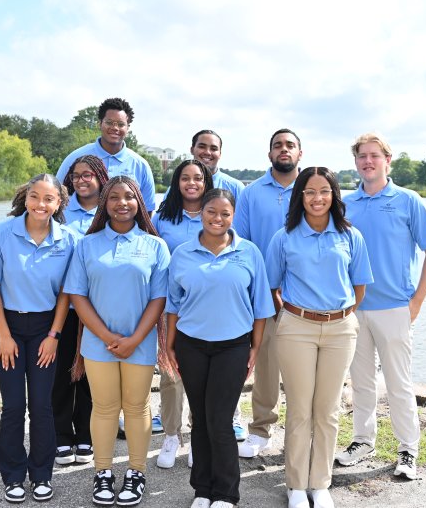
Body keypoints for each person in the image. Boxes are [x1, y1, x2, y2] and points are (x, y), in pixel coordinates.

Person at [335, 133, 426, 481]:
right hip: (354, 309)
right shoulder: (346, 204)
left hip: (396, 307)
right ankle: (362, 440)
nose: (368, 161)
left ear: (387, 160)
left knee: (399, 383)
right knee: (361, 381)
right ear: (356, 163)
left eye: (374, 156)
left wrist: (417, 302)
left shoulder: (408, 200)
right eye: (362, 157)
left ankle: (408, 448)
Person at [266, 167, 373, 508]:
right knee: (299, 409)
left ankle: (320, 483)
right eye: (310, 191)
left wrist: (339, 314)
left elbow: (360, 285)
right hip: (296, 328)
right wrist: (295, 314)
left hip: (341, 329)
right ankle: (296, 485)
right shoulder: (284, 236)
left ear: (334, 195)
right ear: (300, 196)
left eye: (324, 191)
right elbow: (272, 286)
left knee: (327, 410)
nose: (317, 198)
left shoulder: (350, 235)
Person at [63, 176, 170, 507]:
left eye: (129, 197)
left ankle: (136, 472)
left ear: (139, 202)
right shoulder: (87, 244)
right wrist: (108, 337)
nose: (122, 203)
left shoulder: (155, 246)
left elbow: (159, 299)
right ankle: (103, 473)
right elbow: (77, 296)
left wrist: (136, 338)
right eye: (114, 198)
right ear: (104, 203)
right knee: (105, 408)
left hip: (140, 341)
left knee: (137, 408)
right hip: (98, 344)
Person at [166, 189, 275, 508]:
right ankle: (202, 489)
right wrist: (170, 344)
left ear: (233, 216)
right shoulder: (183, 254)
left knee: (220, 419)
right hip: (191, 345)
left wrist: (255, 347)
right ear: (201, 212)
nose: (218, 218)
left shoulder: (250, 252)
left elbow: (260, 307)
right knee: (199, 418)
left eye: (225, 213)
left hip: (233, 347)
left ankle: (226, 493)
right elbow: (173, 304)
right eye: (212, 211)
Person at [0, 174, 76, 503]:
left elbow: (66, 293)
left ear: (59, 204)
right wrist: (4, 335)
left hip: (46, 328)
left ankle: (42, 475)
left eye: (49, 199)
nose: (41, 204)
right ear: (25, 197)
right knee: (14, 405)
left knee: (43, 406)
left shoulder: (69, 239)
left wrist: (54, 335)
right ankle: (14, 476)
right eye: (35, 196)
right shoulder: (2, 234)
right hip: (9, 327)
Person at [233, 128, 302, 458]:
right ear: (270, 153)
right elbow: (243, 245)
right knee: (265, 366)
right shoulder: (251, 193)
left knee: (303, 369)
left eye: (290, 145)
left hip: (304, 295)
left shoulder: (313, 189)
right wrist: (259, 291)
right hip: (264, 294)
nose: (284, 150)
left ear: (299, 153)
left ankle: (301, 433)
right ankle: (261, 429)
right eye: (278, 145)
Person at [152, 159, 214, 469]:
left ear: (206, 182)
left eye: (198, 178)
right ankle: (171, 435)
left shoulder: (214, 215)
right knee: (170, 372)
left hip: (205, 307)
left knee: (201, 376)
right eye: (185, 178)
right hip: (170, 307)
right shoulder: (162, 217)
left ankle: (198, 436)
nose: (192, 183)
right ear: (177, 182)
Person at [52, 155, 109, 466]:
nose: (81, 180)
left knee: (91, 376)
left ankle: (86, 435)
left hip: (99, 308)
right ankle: (61, 436)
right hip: (65, 308)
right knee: (61, 374)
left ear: (100, 177)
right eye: (75, 176)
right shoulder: (59, 212)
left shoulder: (111, 211)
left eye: (88, 175)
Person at [56, 97, 156, 212]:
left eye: (120, 124)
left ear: (128, 128)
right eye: (109, 122)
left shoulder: (140, 165)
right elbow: (56, 196)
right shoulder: (75, 158)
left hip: (124, 230)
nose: (114, 128)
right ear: (100, 124)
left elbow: (147, 210)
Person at [190, 129, 244, 203]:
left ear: (220, 154)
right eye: (202, 147)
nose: (207, 152)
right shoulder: (178, 187)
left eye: (213, 149)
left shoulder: (236, 188)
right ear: (192, 150)